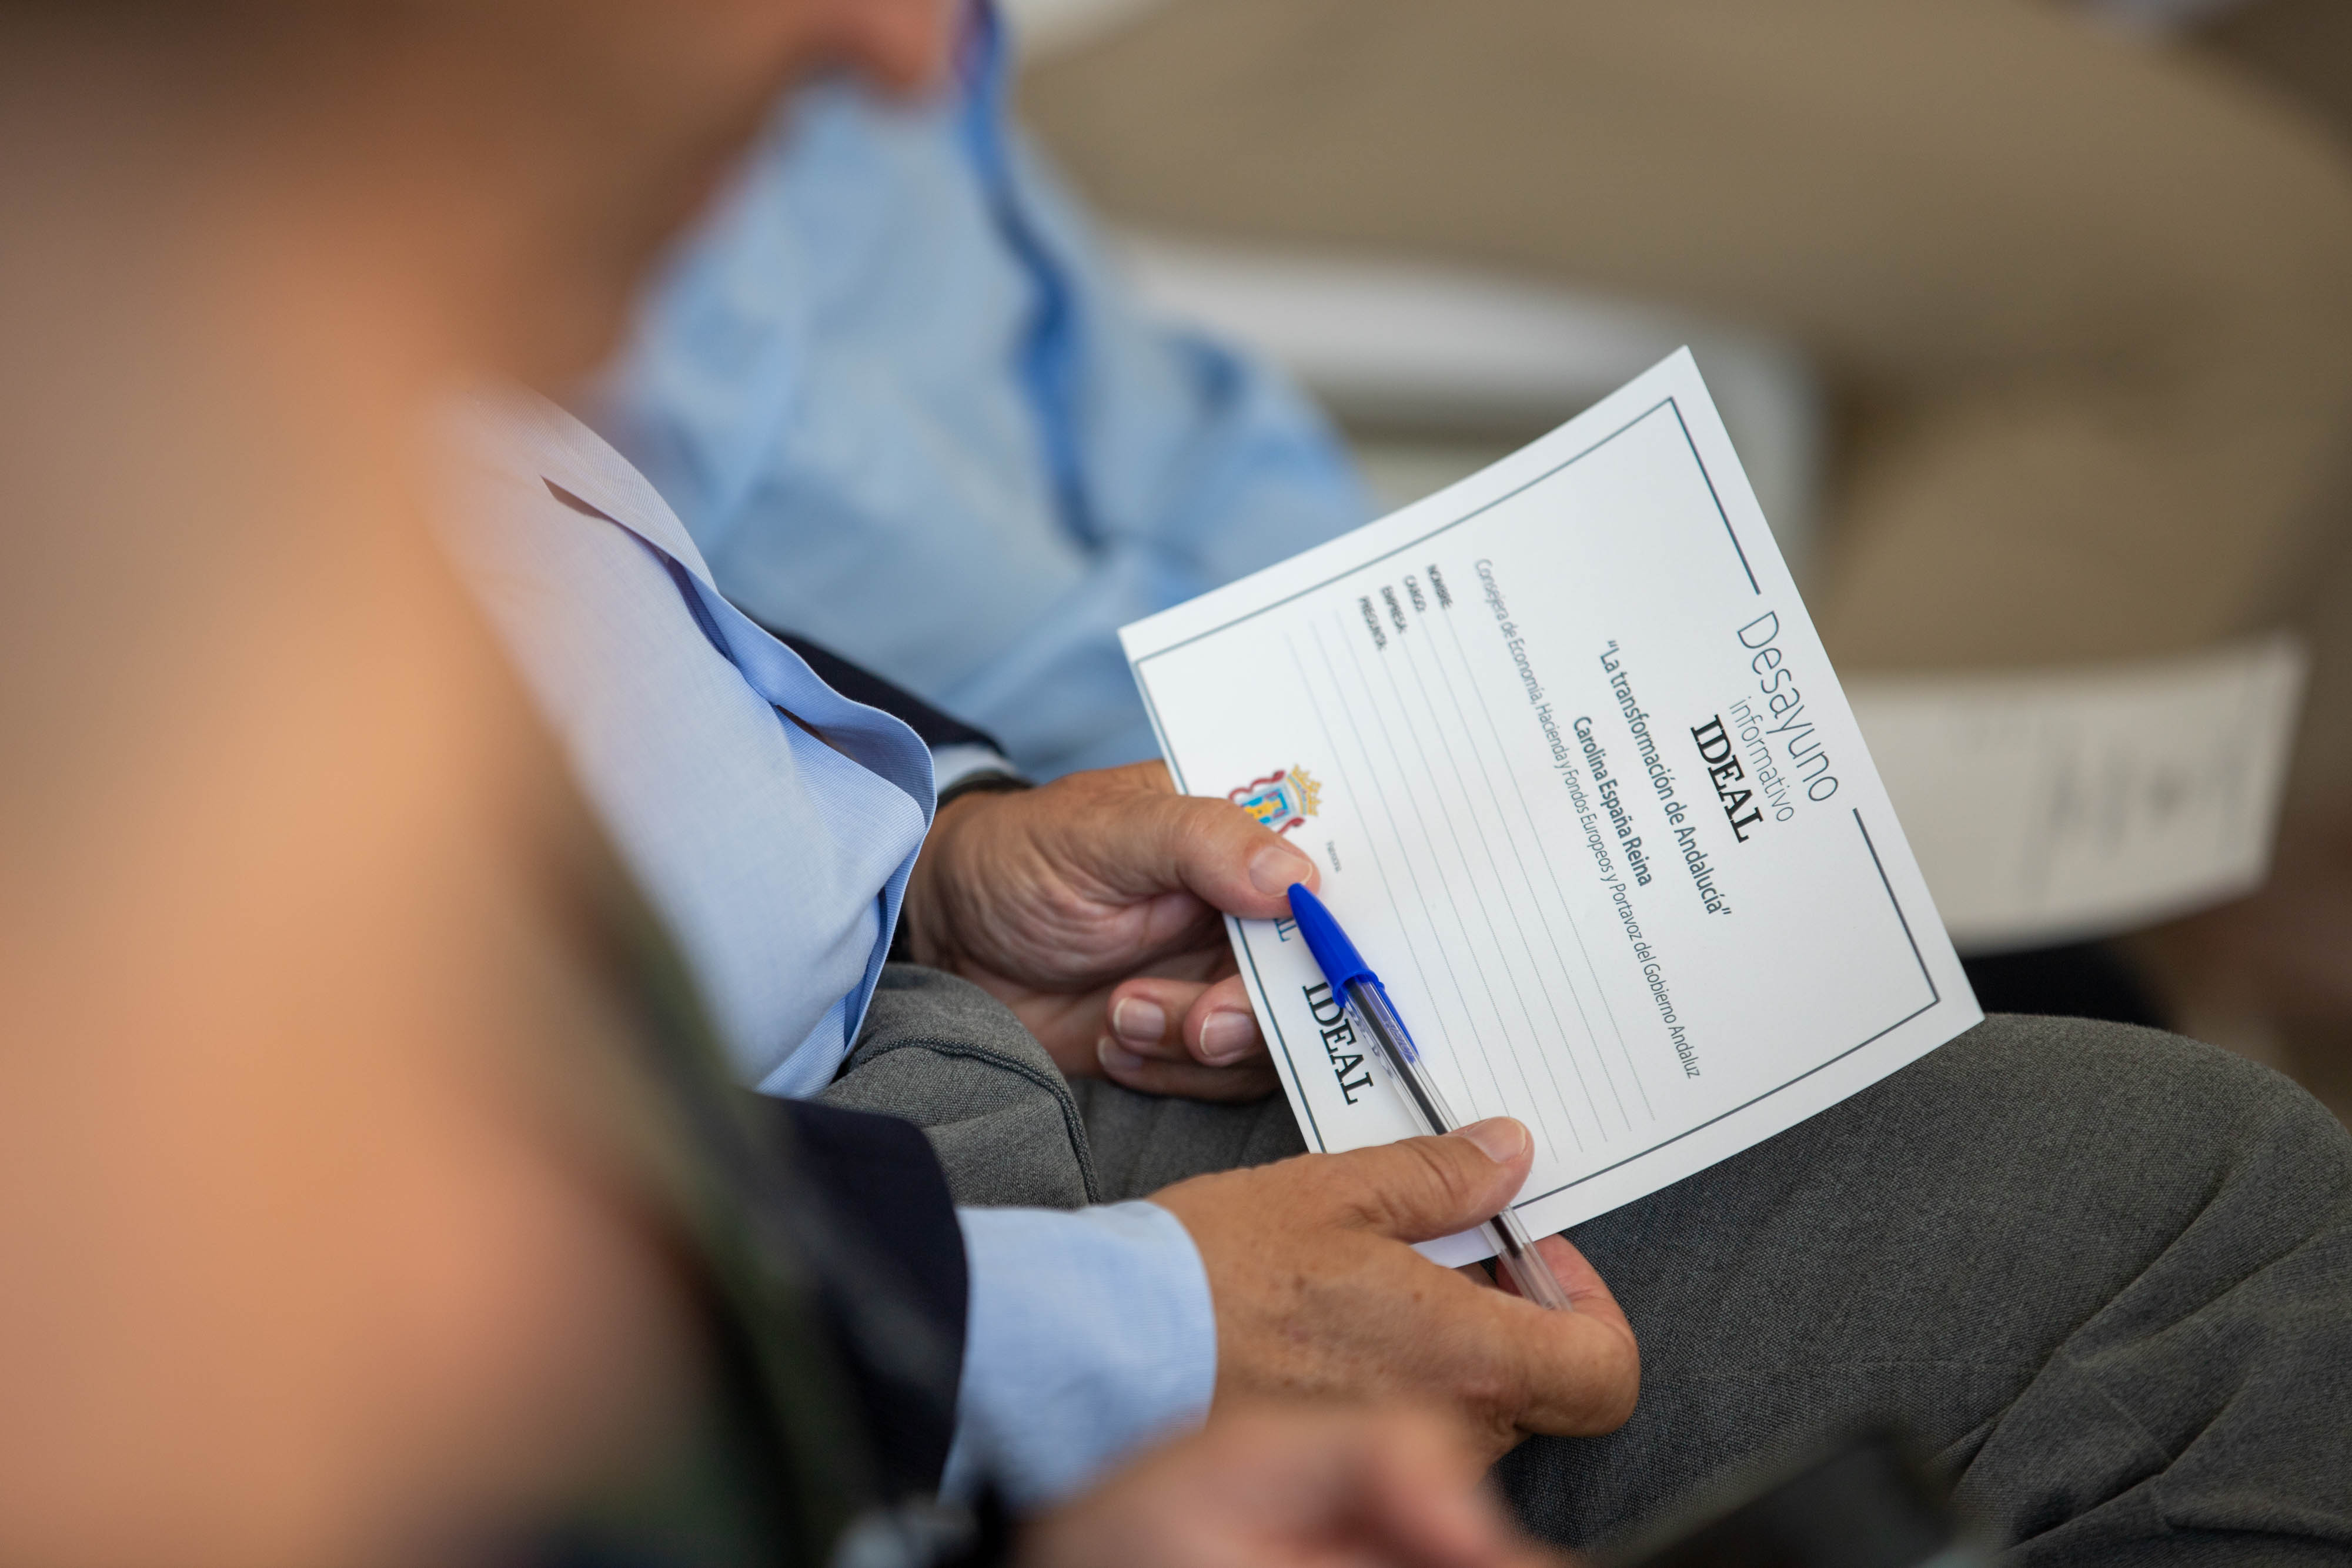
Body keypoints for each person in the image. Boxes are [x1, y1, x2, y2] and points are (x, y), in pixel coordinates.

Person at [0, 1, 1608, 1565]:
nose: (920, 46)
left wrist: (941, 862)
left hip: (955, 1064)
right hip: (900, 1232)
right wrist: (1118, 1337)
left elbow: (647, 658)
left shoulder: (311, 340)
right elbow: (575, 1320)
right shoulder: (174, 439)